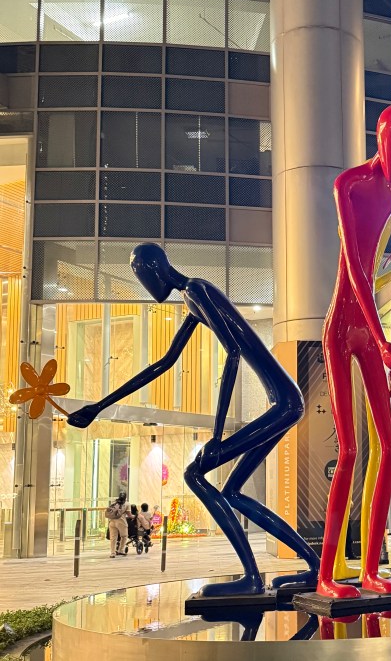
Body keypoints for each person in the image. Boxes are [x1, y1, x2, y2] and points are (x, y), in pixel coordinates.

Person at [67, 243, 319, 597]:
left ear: (155, 269)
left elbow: (233, 353)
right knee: (231, 491)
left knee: (194, 474)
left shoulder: (197, 289)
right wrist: (99, 407)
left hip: (285, 404)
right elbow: (163, 364)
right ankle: (315, 567)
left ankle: (251, 577)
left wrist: (216, 436)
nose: (145, 286)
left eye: (141, 276)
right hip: (284, 402)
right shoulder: (192, 298)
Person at [317, 103, 391, 599]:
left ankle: (372, 569)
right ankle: (326, 575)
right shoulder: (348, 184)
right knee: (351, 450)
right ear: (379, 141)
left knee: (390, 448)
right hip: (342, 328)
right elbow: (356, 270)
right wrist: (380, 341)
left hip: (373, 330)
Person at [105, 492, 129, 558]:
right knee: (124, 536)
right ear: (125, 497)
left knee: (113, 538)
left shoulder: (114, 503)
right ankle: (121, 550)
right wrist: (134, 516)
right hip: (121, 522)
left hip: (112, 522)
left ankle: (112, 553)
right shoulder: (127, 504)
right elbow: (129, 515)